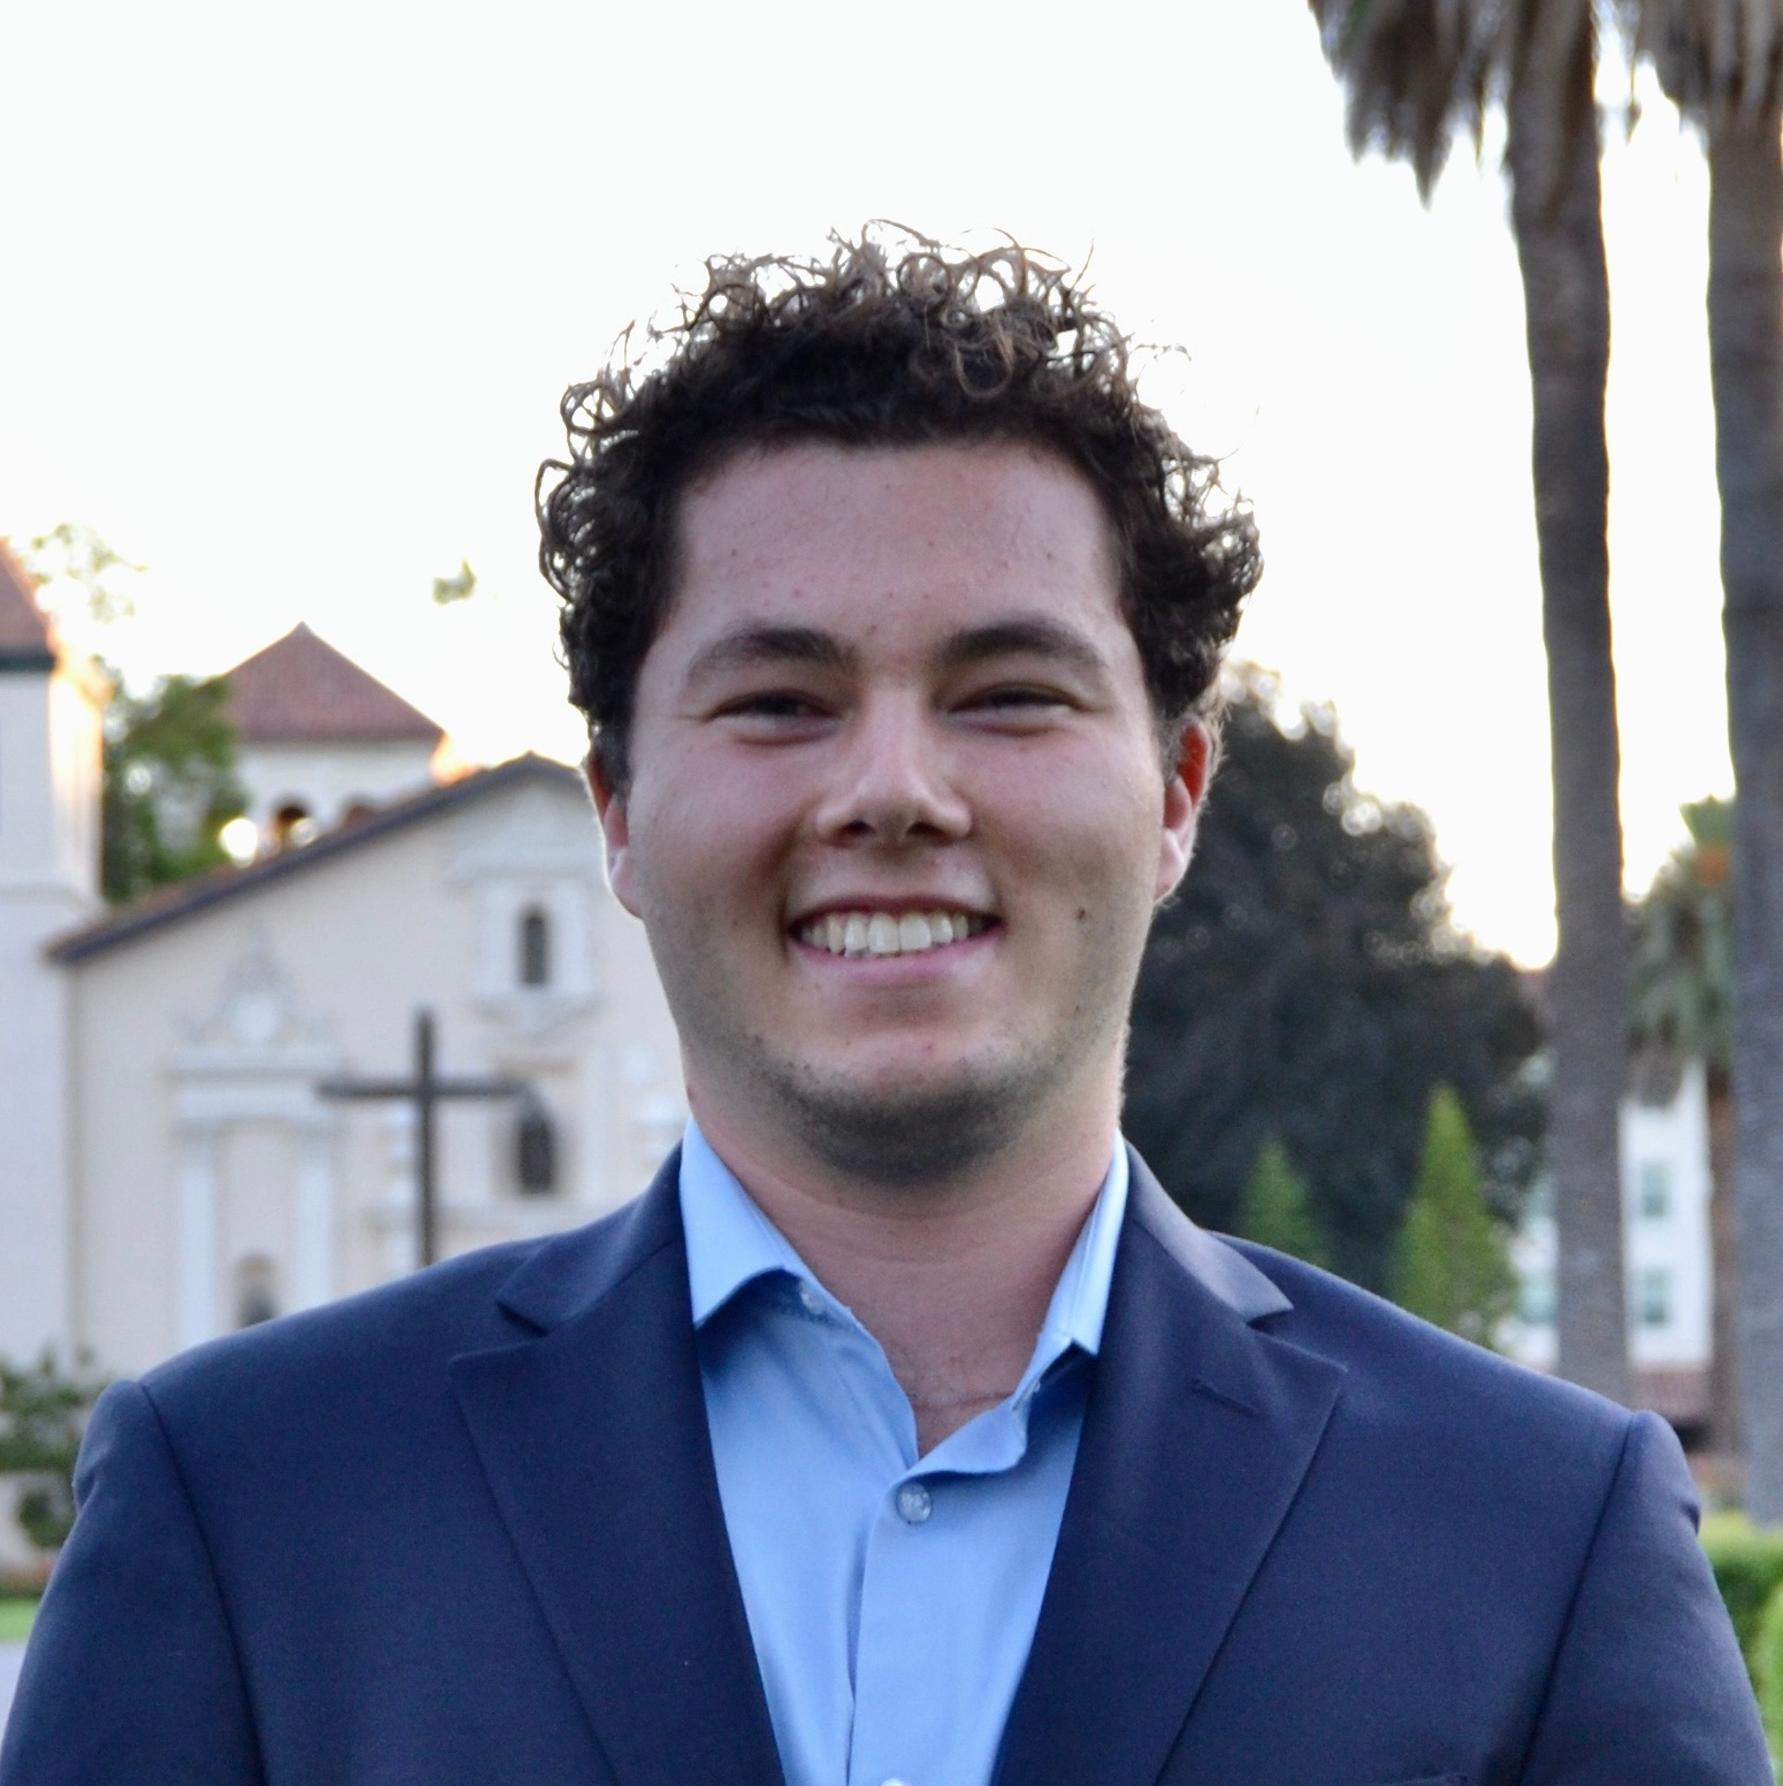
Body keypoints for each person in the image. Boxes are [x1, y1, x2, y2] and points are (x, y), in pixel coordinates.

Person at [1, 231, 1766, 1786]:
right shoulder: (247, 1506)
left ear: (1176, 793)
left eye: (1009, 693)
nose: (895, 790)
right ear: (618, 809)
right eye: (780, 700)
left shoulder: (1539, 1536)